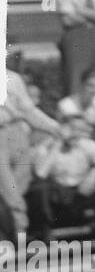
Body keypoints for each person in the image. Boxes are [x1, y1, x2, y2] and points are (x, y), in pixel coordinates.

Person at [26, 117, 95, 245]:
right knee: (39, 187)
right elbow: (40, 173)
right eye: (72, 129)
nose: (76, 133)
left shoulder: (87, 145)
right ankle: (45, 231)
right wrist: (57, 144)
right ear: (62, 129)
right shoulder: (46, 146)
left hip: (82, 193)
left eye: (80, 129)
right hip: (57, 197)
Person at [1, 61, 66, 239]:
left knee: (20, 188)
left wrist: (54, 127)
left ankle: (14, 236)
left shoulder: (13, 79)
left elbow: (29, 111)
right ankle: (18, 237)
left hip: (17, 133)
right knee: (11, 192)